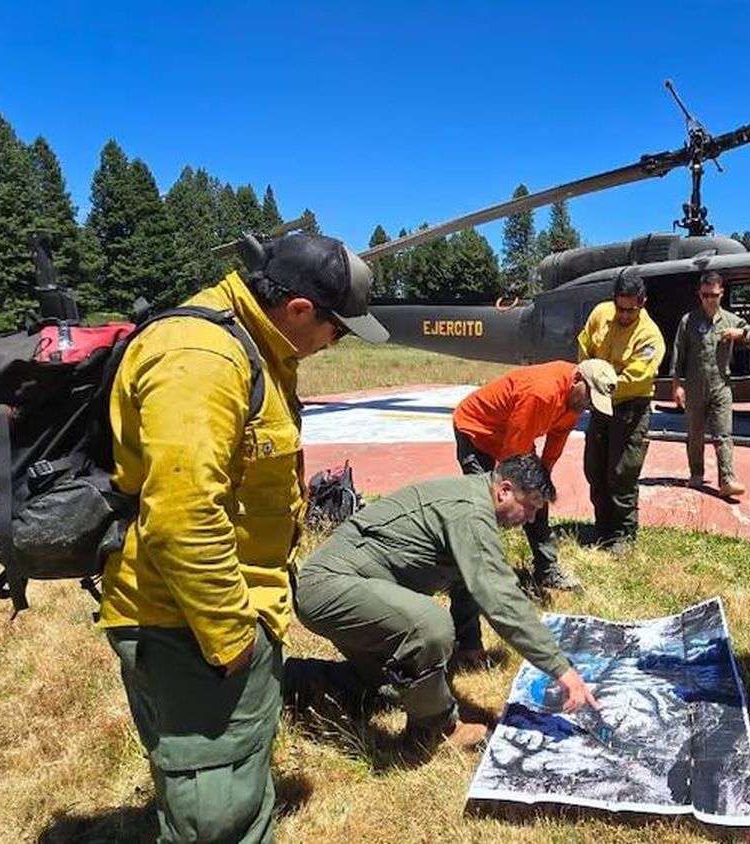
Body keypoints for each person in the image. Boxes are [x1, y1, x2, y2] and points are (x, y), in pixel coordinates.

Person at [99, 233, 389, 842]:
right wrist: (234, 640)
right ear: (301, 310)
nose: (334, 345)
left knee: (233, 784)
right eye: (338, 330)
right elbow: (183, 516)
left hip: (227, 612)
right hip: (194, 627)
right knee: (216, 816)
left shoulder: (254, 344)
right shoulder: (204, 358)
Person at [293, 455, 601, 750]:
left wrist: (469, 643)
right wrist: (561, 669)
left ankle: (294, 680)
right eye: (530, 508)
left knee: (387, 689)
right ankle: (437, 729)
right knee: (431, 626)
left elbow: (469, 578)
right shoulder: (469, 512)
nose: (531, 519)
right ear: (505, 491)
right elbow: (500, 598)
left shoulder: (475, 502)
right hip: (328, 586)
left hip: (352, 585)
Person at [448, 358, 618, 658]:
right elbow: (512, 461)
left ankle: (547, 568)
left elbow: (556, 440)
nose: (589, 406)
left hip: (509, 437)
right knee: (480, 516)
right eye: (590, 397)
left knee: (535, 498)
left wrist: (543, 481)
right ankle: (468, 628)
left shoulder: (573, 399)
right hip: (477, 432)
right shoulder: (541, 393)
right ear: (578, 379)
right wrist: (524, 495)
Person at [576, 274, 666, 551]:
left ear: (643, 303)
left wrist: (597, 382)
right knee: (595, 468)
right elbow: (584, 347)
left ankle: (624, 535)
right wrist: (587, 374)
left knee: (622, 472)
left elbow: (635, 378)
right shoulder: (601, 314)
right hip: (600, 406)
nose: (625, 315)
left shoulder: (649, 336)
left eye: (631, 309)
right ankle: (601, 529)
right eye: (621, 308)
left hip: (631, 407)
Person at [669, 271, 750, 498]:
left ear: (721, 294)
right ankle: (696, 473)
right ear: (699, 295)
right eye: (705, 295)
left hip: (721, 385)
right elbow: (678, 354)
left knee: (723, 434)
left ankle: (727, 480)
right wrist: (676, 385)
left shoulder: (731, 320)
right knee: (695, 433)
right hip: (694, 386)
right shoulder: (688, 321)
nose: (709, 299)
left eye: (714, 295)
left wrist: (741, 334)